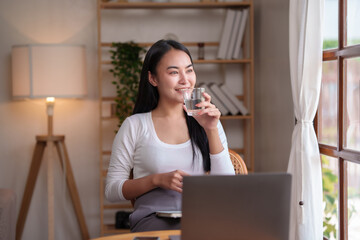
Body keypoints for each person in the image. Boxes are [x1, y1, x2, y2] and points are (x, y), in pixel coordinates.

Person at [105, 39, 235, 232]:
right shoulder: (135, 125)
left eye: (189, 70)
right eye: (174, 72)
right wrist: (156, 180)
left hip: (200, 217)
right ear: (153, 79)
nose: (185, 80)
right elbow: (112, 190)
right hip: (152, 219)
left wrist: (211, 129)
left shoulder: (209, 121)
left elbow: (226, 186)